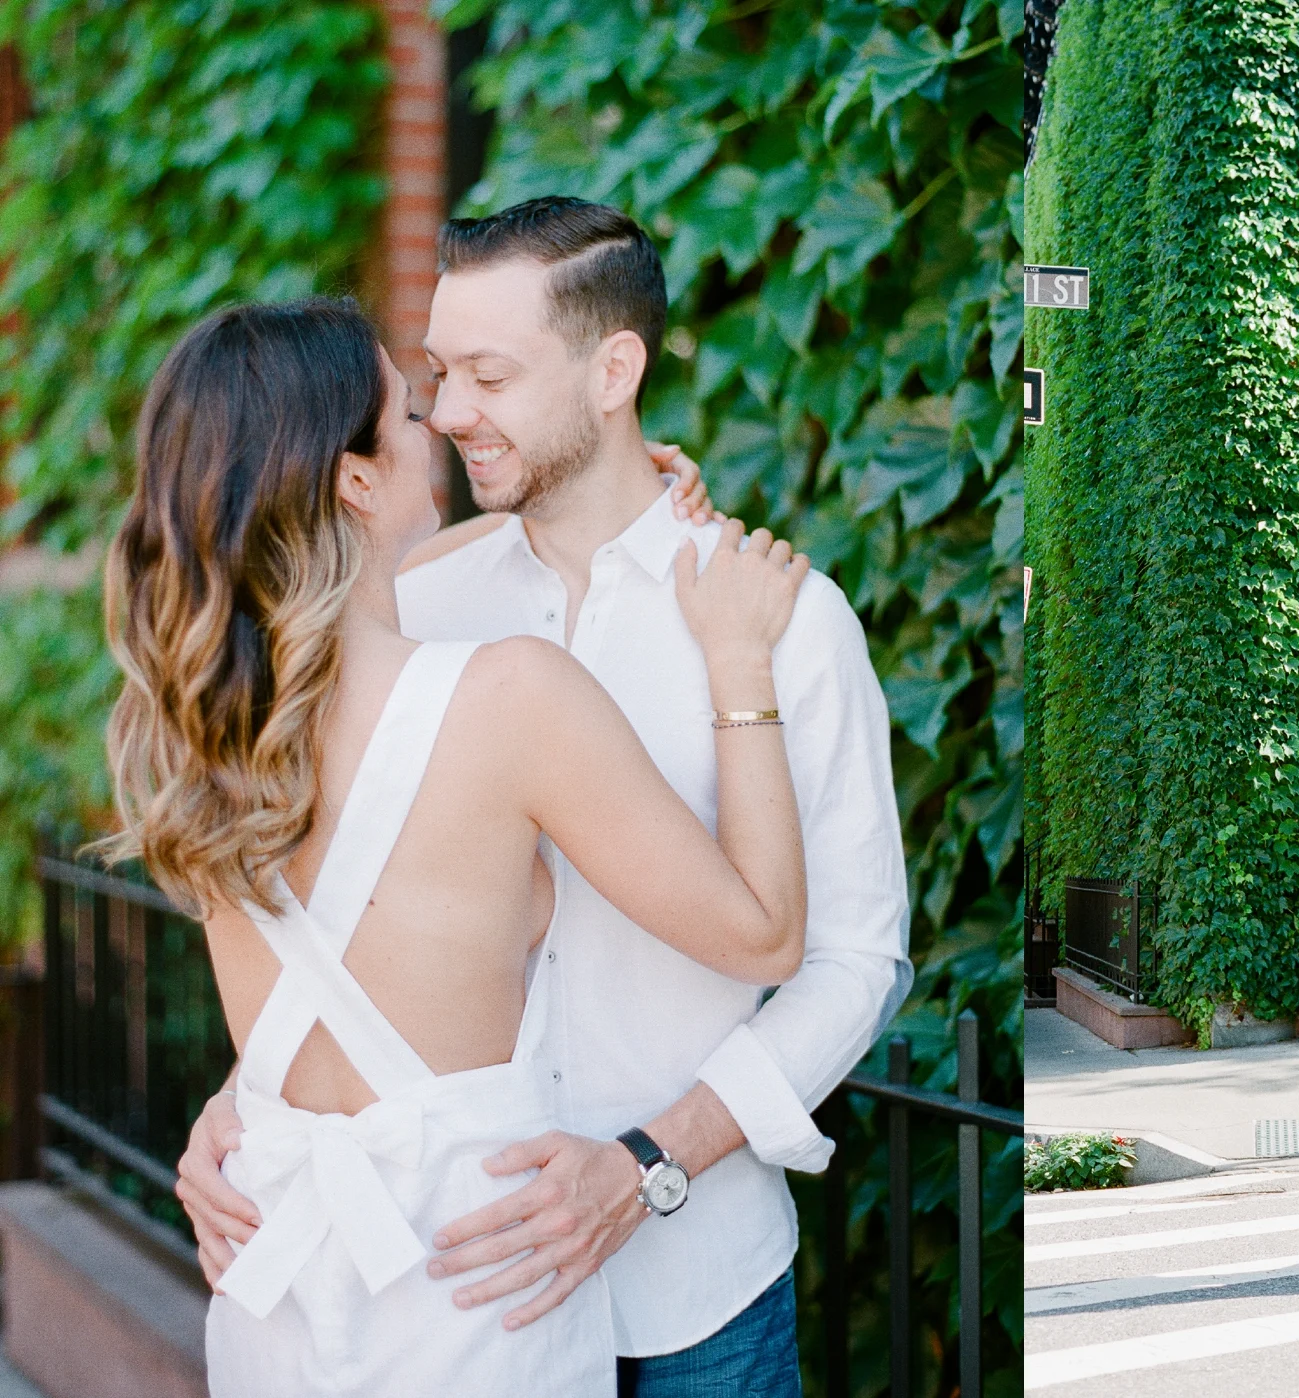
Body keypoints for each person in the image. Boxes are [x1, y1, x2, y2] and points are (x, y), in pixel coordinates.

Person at [175, 197, 912, 1397]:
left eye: (489, 375)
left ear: (612, 370)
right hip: (448, 1299)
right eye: (434, 375)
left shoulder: (777, 620)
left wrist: (644, 1166)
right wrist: (249, 1104)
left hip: (695, 1291)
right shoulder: (415, 601)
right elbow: (337, 918)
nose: (451, 411)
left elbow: (852, 963)